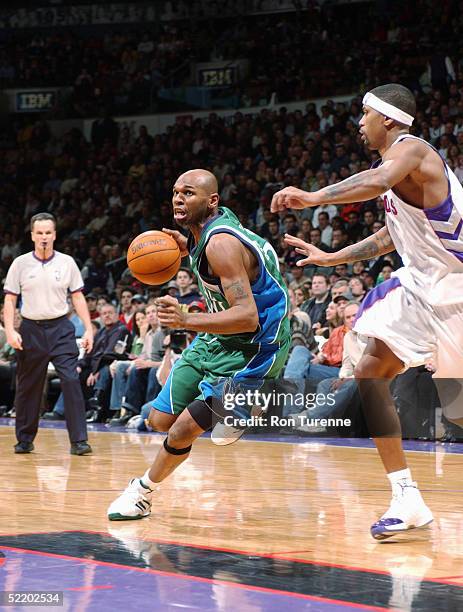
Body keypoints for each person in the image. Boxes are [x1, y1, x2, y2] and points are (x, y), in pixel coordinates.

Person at [271, 83, 463, 540]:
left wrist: (313, 197)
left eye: (364, 114)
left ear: (388, 119)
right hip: (422, 286)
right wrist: (330, 258)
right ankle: (405, 497)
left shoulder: (412, 151)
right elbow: (389, 237)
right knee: (372, 369)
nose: (359, 123)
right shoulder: (398, 174)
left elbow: (374, 182)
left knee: (460, 411)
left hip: (458, 289)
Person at [107, 168, 291, 520]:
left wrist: (185, 319)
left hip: (255, 348)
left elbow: (247, 316)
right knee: (160, 420)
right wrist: (187, 248)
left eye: (188, 193)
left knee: (181, 430)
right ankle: (234, 407)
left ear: (212, 201)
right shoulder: (205, 232)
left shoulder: (221, 244)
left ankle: (142, 492)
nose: (179, 198)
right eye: (176, 192)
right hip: (217, 339)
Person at [3, 212, 94, 455]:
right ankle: (24, 439)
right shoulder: (20, 264)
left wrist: (89, 328)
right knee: (28, 387)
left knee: (71, 380)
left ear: (54, 235)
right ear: (32, 235)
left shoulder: (67, 262)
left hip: (61, 328)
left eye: (48, 233)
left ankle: (79, 441)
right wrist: (11, 330)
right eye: (39, 233)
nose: (44, 237)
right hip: (31, 329)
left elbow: (77, 297)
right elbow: (10, 300)